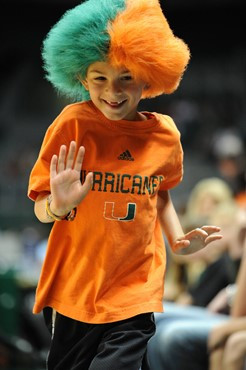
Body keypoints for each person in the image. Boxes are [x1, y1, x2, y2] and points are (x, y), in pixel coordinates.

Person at [27, 0, 222, 369]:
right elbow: (40, 209)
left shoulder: (165, 134)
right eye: (100, 78)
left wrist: (176, 239)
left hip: (135, 288)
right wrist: (58, 204)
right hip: (74, 289)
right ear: (83, 79)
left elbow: (160, 193)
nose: (112, 90)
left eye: (126, 77)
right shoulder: (72, 125)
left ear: (147, 78)